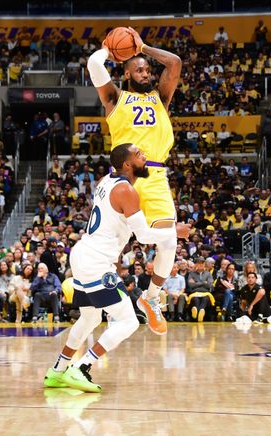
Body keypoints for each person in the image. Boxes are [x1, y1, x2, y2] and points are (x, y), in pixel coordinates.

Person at [44, 143, 189, 392]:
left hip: (84, 255)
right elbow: (143, 236)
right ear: (127, 164)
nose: (145, 157)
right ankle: (82, 367)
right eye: (139, 155)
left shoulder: (105, 181)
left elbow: (119, 229)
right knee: (128, 322)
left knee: (90, 317)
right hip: (95, 261)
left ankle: (58, 370)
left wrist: (117, 266)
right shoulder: (126, 191)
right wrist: (175, 231)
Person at [88, 27, 182, 337]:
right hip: (124, 177)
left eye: (147, 70)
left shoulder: (161, 98)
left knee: (169, 242)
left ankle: (151, 297)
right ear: (127, 75)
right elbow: (93, 65)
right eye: (138, 69)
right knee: (110, 249)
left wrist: (144, 47)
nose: (146, 73)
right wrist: (109, 50)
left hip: (155, 176)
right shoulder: (116, 98)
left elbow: (175, 63)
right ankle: (98, 307)